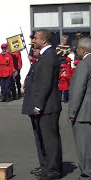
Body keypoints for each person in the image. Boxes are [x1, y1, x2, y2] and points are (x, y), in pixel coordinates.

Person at [30, 29, 62, 180]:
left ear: (43, 41)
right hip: (45, 105)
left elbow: (46, 83)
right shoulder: (45, 55)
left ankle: (53, 170)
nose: (33, 40)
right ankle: (47, 166)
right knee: (44, 138)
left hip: (48, 105)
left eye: (35, 38)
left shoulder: (49, 56)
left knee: (50, 139)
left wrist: (38, 105)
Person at [22, 47, 47, 177]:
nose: (33, 53)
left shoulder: (41, 63)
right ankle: (43, 164)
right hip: (33, 106)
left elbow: (42, 85)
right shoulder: (36, 63)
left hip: (38, 107)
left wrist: (37, 106)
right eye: (32, 51)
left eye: (35, 50)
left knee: (43, 138)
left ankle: (46, 165)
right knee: (38, 137)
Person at [68, 37, 91, 180]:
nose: (77, 51)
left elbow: (78, 90)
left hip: (84, 113)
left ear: (83, 50)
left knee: (84, 149)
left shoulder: (84, 64)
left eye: (77, 49)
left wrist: (72, 112)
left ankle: (87, 175)